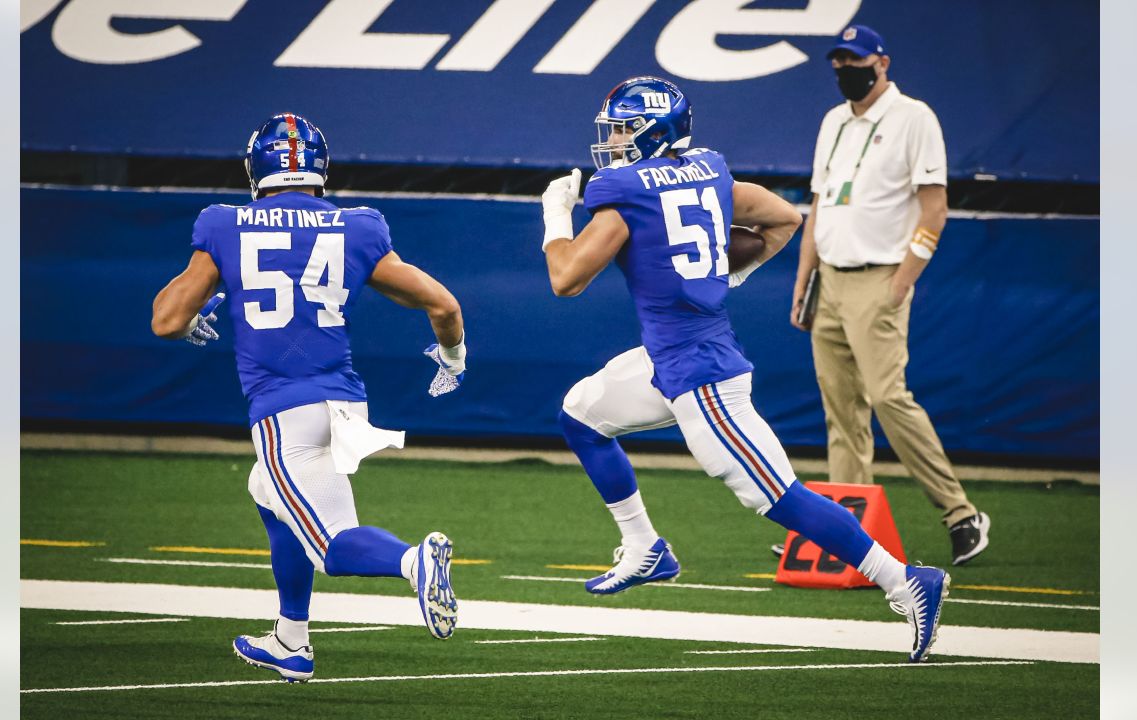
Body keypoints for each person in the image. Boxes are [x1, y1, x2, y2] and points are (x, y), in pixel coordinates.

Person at [542, 76, 950, 662]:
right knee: (581, 415)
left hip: (701, 373)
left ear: (655, 132)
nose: (613, 141)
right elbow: (785, 219)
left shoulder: (625, 189)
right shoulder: (708, 168)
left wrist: (556, 218)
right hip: (671, 358)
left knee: (776, 497)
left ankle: (906, 580)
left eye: (625, 129)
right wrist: (724, 273)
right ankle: (643, 546)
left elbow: (566, 278)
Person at [151, 113, 465, 682]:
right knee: (267, 493)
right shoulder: (357, 224)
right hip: (342, 405)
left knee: (334, 547)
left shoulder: (224, 224)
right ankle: (291, 640)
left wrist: (197, 307)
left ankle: (413, 562)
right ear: (321, 169)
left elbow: (165, 320)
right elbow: (443, 305)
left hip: (283, 409)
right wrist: (452, 359)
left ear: (255, 169)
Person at [789, 25, 990, 566]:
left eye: (854, 60)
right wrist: (804, 280)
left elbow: (934, 208)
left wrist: (904, 279)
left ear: (882, 62)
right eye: (837, 62)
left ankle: (960, 513)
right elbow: (819, 209)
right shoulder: (834, 121)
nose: (844, 70)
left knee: (887, 397)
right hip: (829, 279)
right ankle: (845, 532)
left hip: (880, 277)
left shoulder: (913, 118)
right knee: (841, 410)